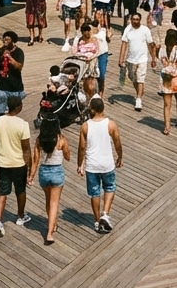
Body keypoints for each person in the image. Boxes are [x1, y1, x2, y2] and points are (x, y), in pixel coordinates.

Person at [0, 93, 32, 235]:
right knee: (20, 191)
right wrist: (30, 167)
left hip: (2, 163)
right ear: (19, 107)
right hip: (18, 164)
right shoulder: (23, 124)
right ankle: (21, 216)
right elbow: (26, 149)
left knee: (2, 192)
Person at [77, 95, 122, 233]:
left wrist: (80, 164)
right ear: (103, 108)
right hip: (107, 164)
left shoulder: (85, 126)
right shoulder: (111, 124)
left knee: (94, 193)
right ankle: (105, 214)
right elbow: (117, 143)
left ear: (92, 109)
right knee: (110, 187)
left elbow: (81, 148)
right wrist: (120, 156)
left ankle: (97, 221)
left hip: (92, 166)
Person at [30, 115, 70, 244]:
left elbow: (35, 160)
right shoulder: (61, 139)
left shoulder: (39, 140)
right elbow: (68, 157)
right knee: (54, 203)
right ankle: (49, 233)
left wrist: (31, 176)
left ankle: (53, 224)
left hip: (44, 172)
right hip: (57, 172)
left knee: (48, 201)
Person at [118, 12, 157, 113]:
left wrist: (153, 58)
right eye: (133, 19)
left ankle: (139, 99)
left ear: (140, 20)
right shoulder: (128, 29)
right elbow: (124, 44)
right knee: (133, 78)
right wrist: (121, 59)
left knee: (140, 79)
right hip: (130, 59)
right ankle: (139, 92)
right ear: (131, 20)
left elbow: (150, 44)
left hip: (142, 59)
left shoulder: (145, 30)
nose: (135, 21)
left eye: (137, 19)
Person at [0, 31, 25, 117]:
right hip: (1, 87)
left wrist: (10, 59)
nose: (5, 41)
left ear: (13, 41)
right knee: (0, 112)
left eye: (8, 40)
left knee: (13, 112)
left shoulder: (19, 52)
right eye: (4, 39)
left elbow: (19, 67)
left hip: (15, 87)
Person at [158, 28, 177, 134]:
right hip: (170, 78)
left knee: (174, 101)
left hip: (172, 77)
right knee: (170, 102)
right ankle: (169, 125)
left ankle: (176, 120)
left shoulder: (176, 49)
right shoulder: (165, 49)